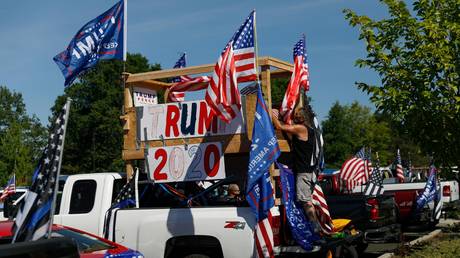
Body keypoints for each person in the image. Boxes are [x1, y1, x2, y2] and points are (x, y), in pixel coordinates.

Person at [271, 107, 319, 226]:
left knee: (306, 202)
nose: (294, 116)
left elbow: (280, 127)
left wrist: (270, 114)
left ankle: (315, 226)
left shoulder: (301, 128)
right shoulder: (310, 130)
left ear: (302, 118)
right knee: (306, 201)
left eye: (297, 115)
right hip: (308, 171)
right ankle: (314, 225)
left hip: (304, 172)